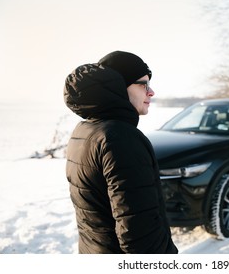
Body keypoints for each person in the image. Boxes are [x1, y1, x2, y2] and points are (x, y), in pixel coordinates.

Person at [63, 51, 178, 254]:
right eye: (143, 84)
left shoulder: (85, 130)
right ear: (117, 87)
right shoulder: (121, 139)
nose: (151, 92)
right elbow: (140, 235)